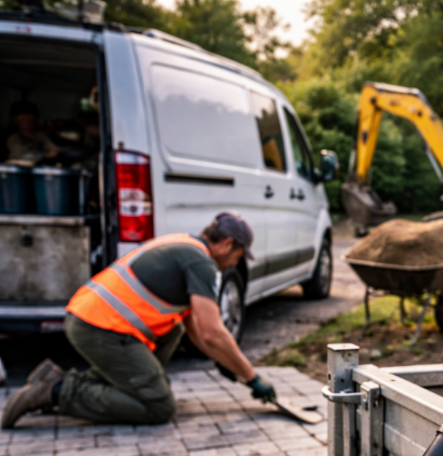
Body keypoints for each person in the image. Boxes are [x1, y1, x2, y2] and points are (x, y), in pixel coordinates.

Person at [1, 212, 276, 428]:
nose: (234, 263)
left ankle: (109, 383)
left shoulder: (182, 243)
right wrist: (253, 378)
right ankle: (56, 391)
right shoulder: (201, 263)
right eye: (238, 256)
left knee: (174, 328)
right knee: (158, 407)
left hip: (91, 320)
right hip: (101, 328)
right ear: (228, 244)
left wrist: (224, 362)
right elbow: (212, 333)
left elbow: (195, 328)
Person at [5, 100, 58, 164]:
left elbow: (53, 151)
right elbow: (17, 156)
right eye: (23, 121)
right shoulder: (13, 138)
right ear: (16, 122)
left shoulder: (40, 136)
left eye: (31, 121)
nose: (27, 125)